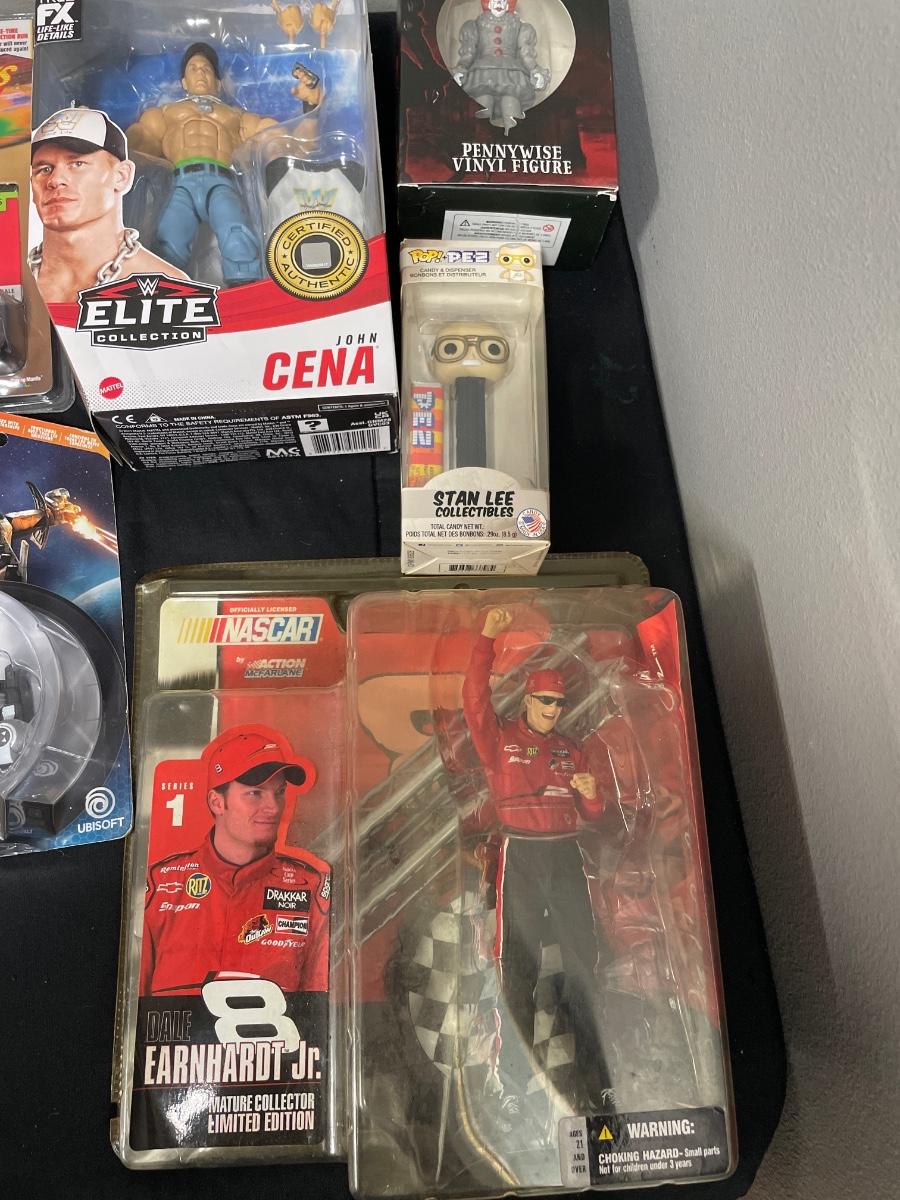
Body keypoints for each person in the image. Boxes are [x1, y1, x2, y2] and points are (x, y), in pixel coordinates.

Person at [462, 607, 612, 1121]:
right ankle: (511, 1080)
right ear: (528, 700)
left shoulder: (572, 750)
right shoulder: (499, 739)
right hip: (520, 853)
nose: (553, 709)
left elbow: (594, 815)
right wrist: (486, 637)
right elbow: (474, 699)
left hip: (565, 854)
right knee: (517, 966)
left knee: (582, 961)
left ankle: (596, 1079)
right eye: (545, 700)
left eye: (559, 702)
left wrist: (592, 797)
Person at [140, 725, 330, 996]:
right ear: (217, 803)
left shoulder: (311, 889)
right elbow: (131, 1001)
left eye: (279, 792)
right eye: (255, 793)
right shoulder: (161, 886)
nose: (274, 807)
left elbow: (318, 1009)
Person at [125, 42, 279, 286]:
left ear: (218, 83)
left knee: (237, 233)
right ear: (183, 82)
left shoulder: (235, 116)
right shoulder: (166, 113)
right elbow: (141, 140)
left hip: (222, 181)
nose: (200, 72)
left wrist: (308, 114)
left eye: (206, 69)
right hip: (180, 183)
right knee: (169, 239)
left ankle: (246, 289)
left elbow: (269, 134)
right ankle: (164, 291)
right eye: (193, 68)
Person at [29, 107, 187, 304]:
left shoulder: (169, 289)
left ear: (121, 176)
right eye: (44, 169)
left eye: (77, 164)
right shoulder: (11, 283)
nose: (55, 180)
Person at [452, 0, 549, 133]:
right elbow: (468, 53)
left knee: (511, 104)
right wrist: (461, 69)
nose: (499, 3)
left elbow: (526, 54)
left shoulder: (520, 27)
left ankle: (514, 138)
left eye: (503, 1)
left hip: (512, 75)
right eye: (495, 0)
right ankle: (480, 138)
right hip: (482, 75)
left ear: (508, 5)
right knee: (483, 103)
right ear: (488, 4)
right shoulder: (475, 25)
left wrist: (536, 71)